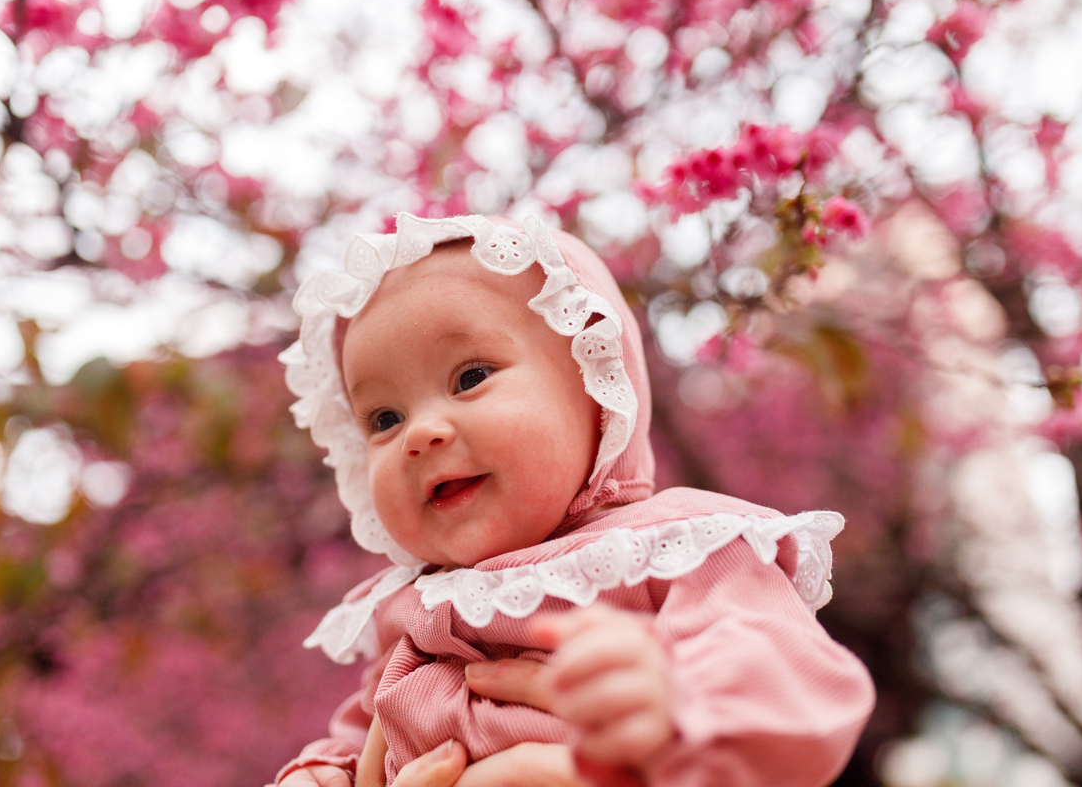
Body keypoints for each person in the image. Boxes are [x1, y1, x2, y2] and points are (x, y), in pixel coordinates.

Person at [273, 213, 875, 787]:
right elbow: (364, 730)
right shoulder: (414, 612)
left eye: (471, 377)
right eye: (383, 417)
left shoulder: (674, 551)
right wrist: (331, 769)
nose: (419, 433)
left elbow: (796, 682)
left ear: (597, 388)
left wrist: (676, 705)